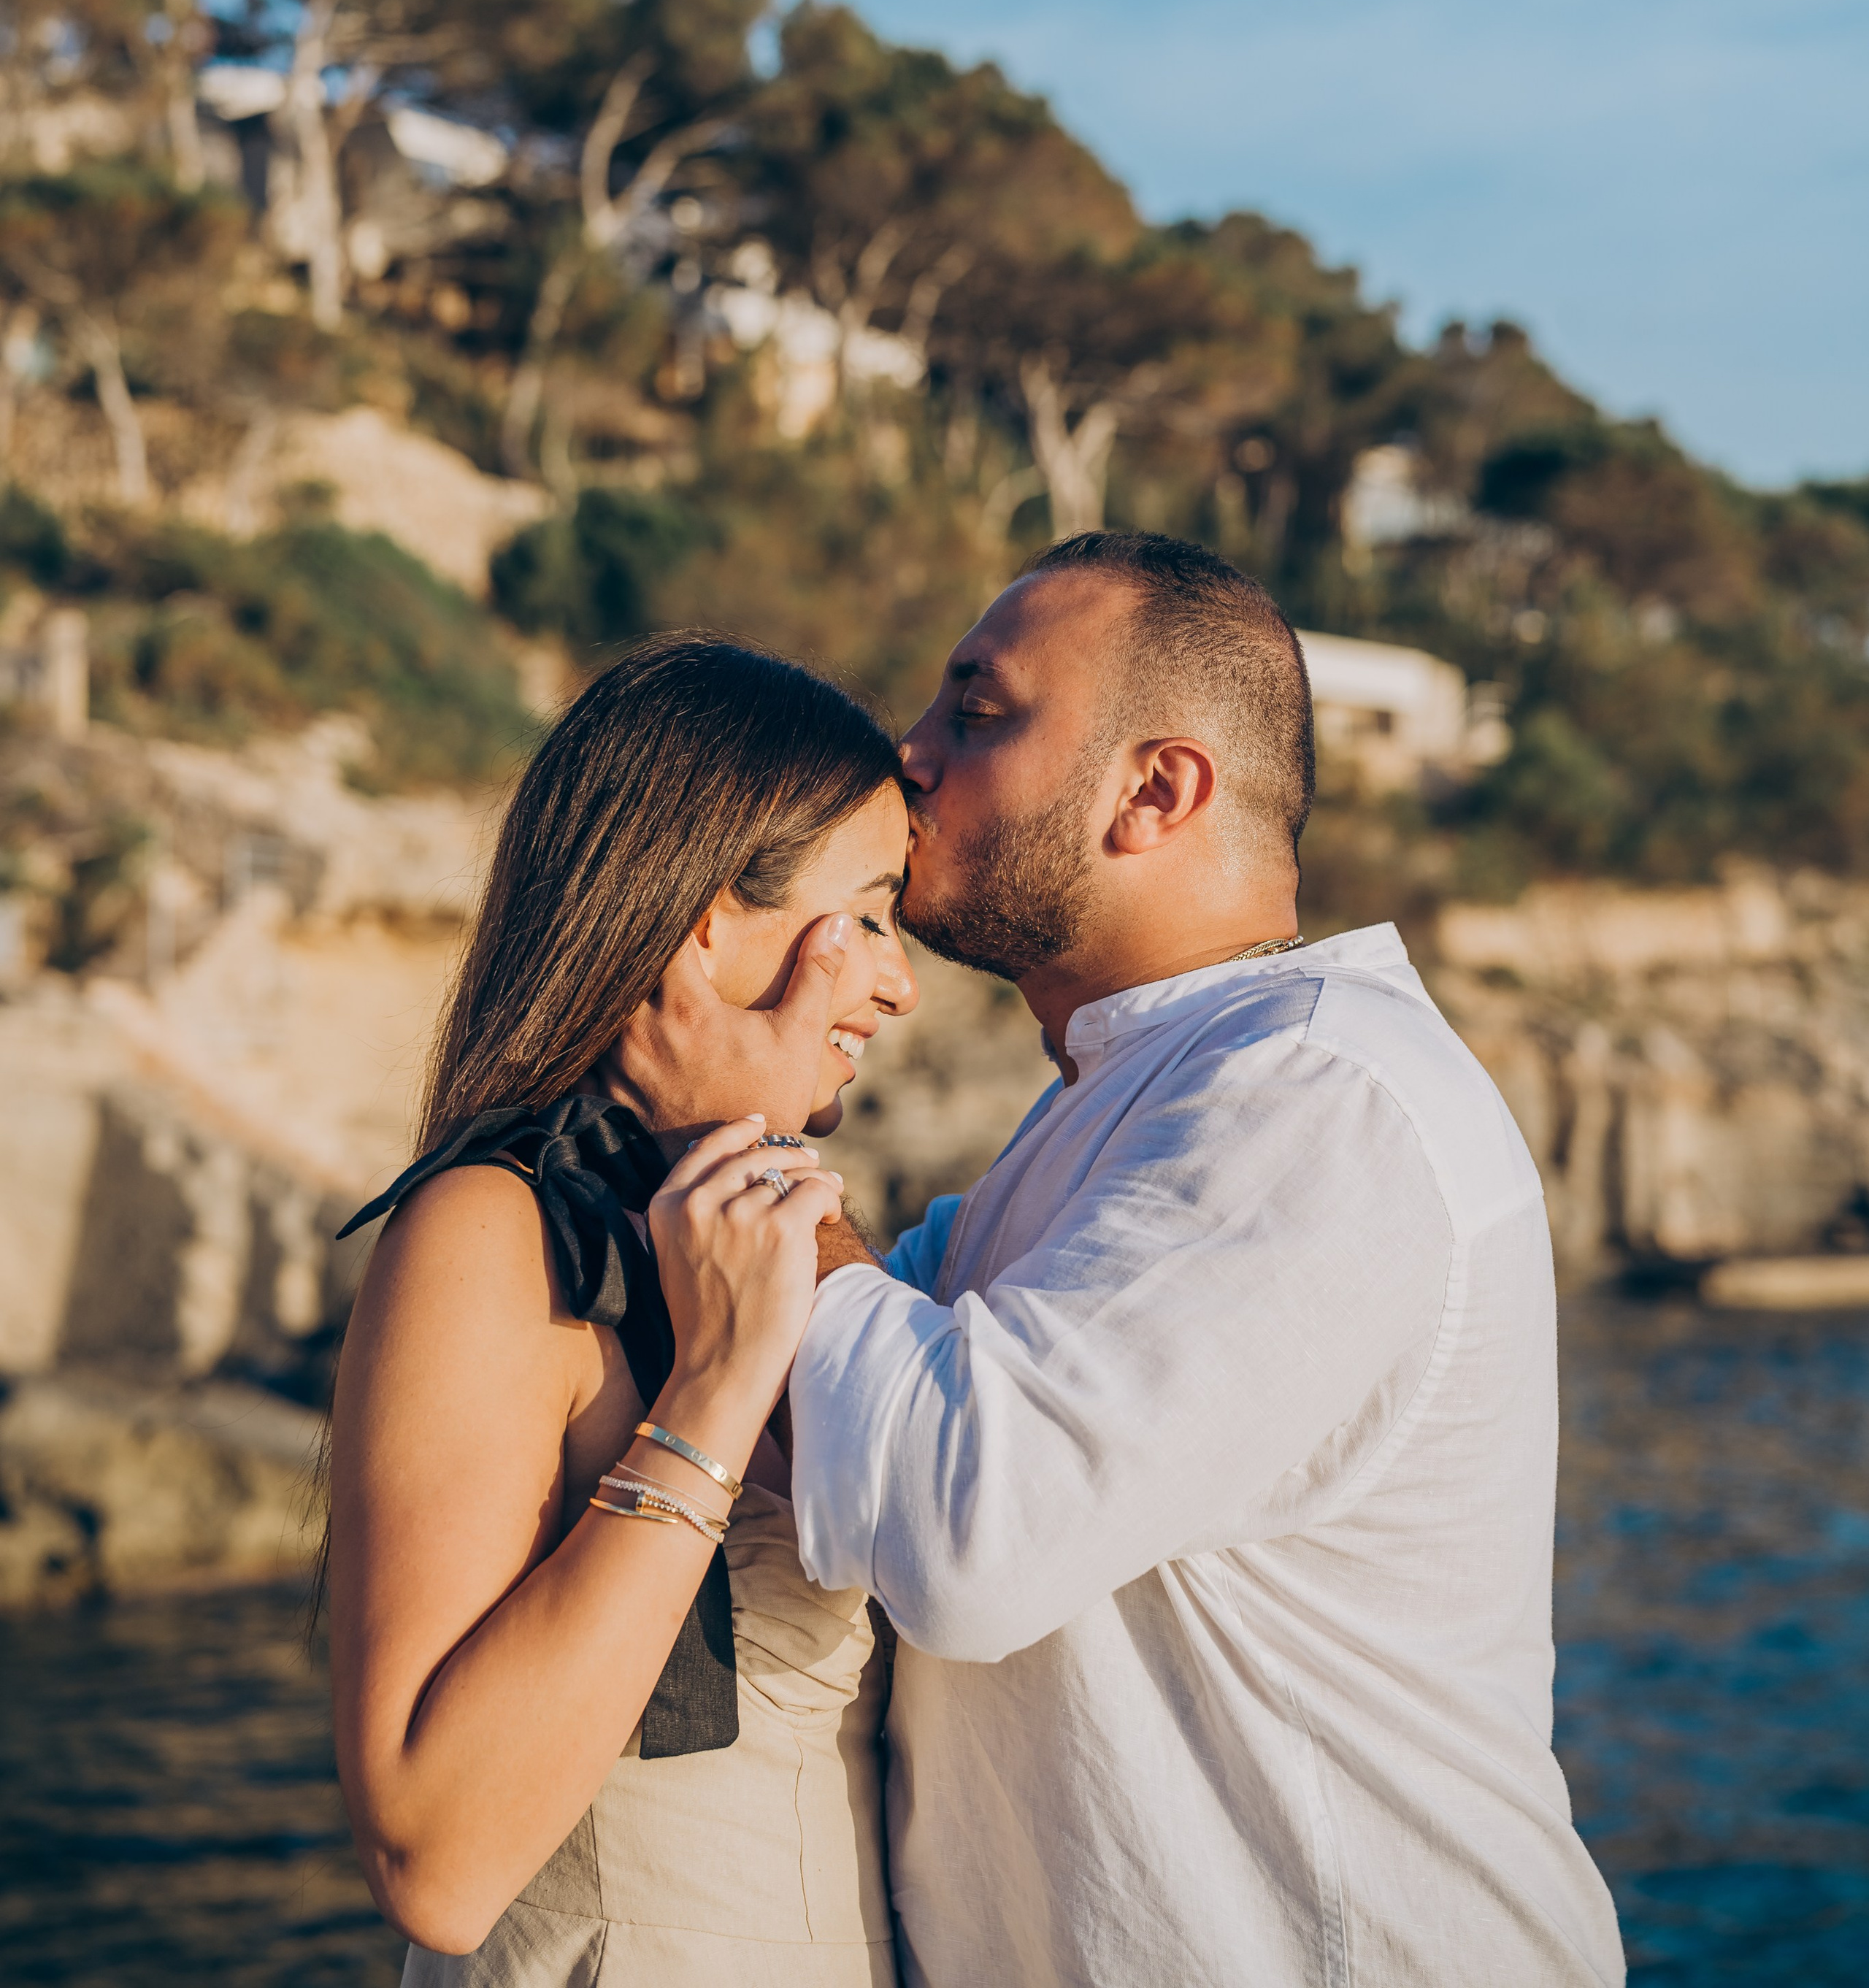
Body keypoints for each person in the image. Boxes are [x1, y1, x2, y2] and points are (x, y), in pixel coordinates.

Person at [630, 533, 1627, 1987]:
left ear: (1155, 791)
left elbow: (967, 1528)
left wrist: (724, 1118)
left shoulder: (1320, 1098)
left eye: (979, 711)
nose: (906, 754)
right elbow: (830, 1354)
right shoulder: (1129, 1111)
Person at [326, 632, 918, 1984]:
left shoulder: (766, 1226)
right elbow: (435, 1859)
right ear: (709, 919)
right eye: (872, 913)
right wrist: (709, 1397)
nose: (899, 983)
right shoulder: (496, 1234)